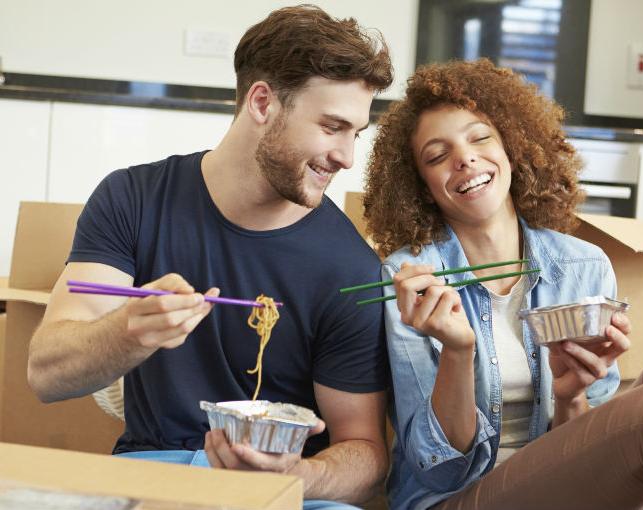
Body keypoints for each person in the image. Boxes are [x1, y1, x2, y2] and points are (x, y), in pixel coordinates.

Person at [27, 5, 393, 509]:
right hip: (154, 471)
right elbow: (46, 374)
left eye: (357, 133)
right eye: (332, 126)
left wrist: (296, 473)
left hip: (287, 492)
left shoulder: (350, 268)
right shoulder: (132, 198)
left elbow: (369, 455)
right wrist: (128, 330)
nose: (348, 157)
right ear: (262, 102)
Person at [363, 58, 643, 510]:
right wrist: (457, 351)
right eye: (438, 155)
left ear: (512, 145)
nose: (464, 158)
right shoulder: (412, 279)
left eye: (479, 137)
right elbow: (439, 466)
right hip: (458, 497)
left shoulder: (582, 265)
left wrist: (570, 396)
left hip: (560, 487)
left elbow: (582, 460)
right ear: (422, 186)